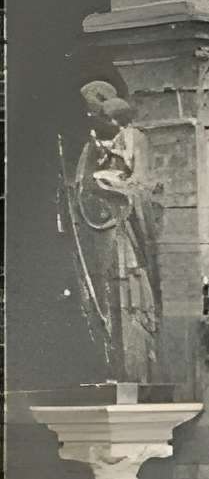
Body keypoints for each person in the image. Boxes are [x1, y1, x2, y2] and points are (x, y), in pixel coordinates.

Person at [61, 82, 164, 383]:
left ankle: (138, 370)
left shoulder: (133, 138)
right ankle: (120, 366)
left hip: (124, 226)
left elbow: (139, 183)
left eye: (97, 113)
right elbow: (92, 177)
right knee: (113, 292)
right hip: (108, 227)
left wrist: (113, 182)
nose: (94, 119)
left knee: (132, 287)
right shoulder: (109, 142)